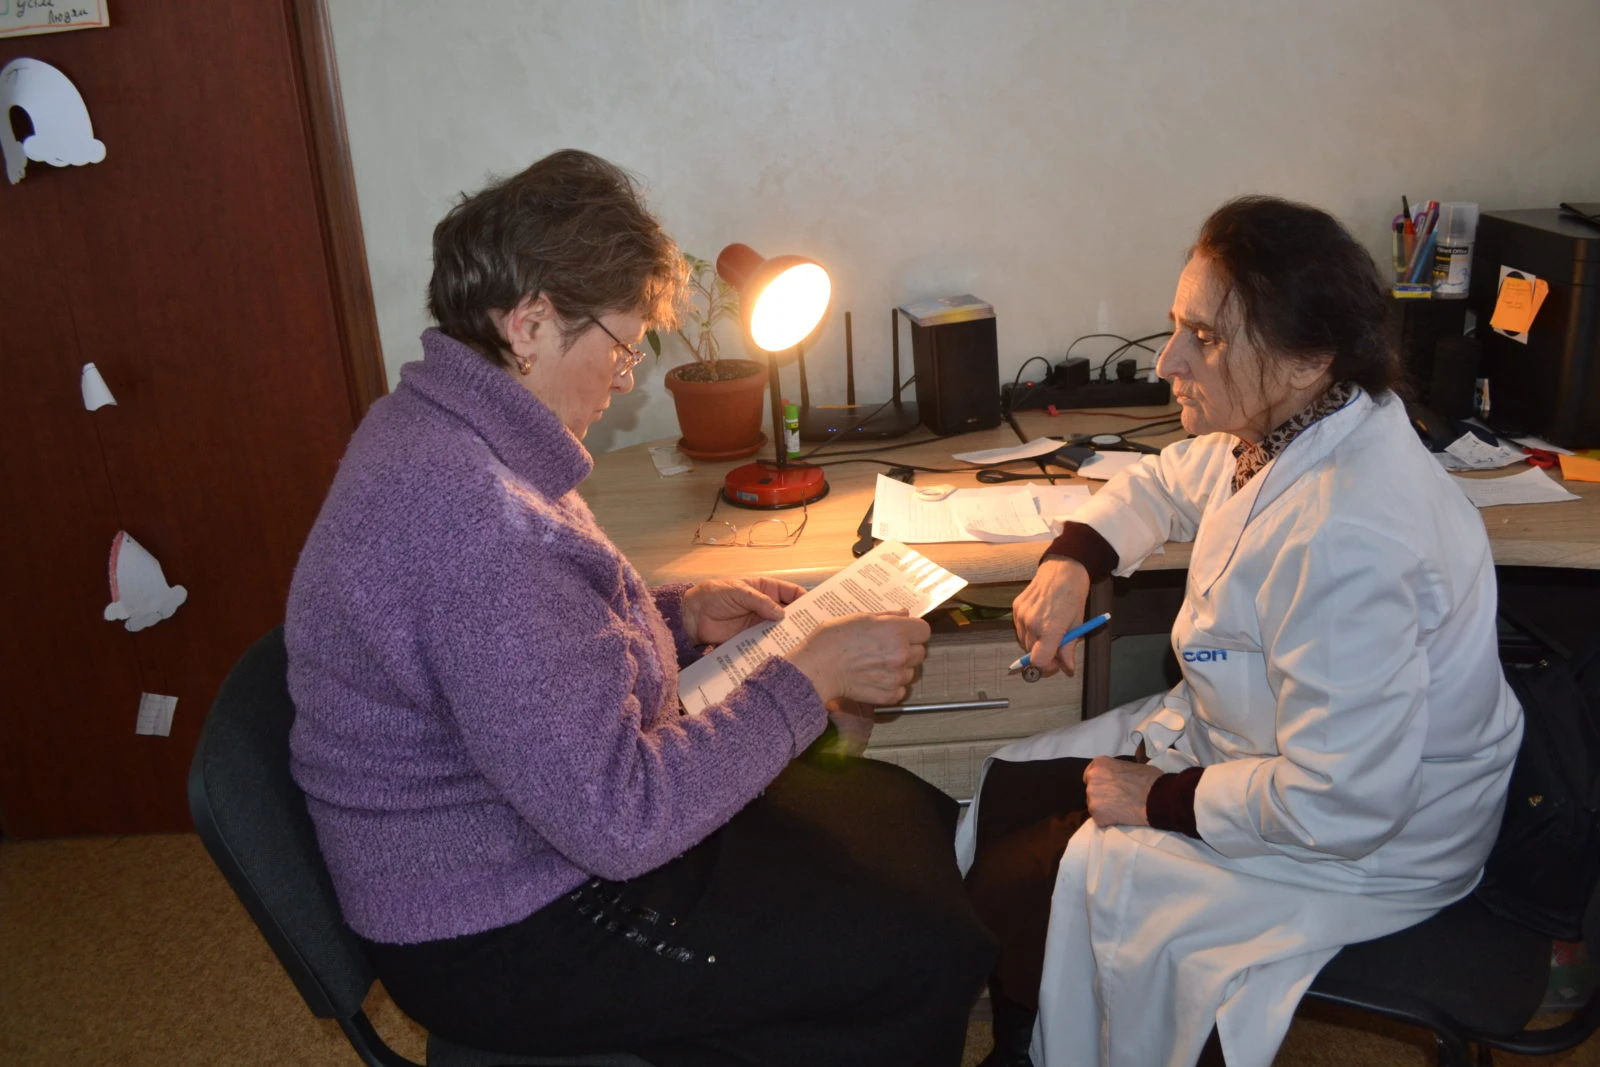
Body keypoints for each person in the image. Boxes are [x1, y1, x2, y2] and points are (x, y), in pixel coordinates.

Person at [286, 149, 995, 1067]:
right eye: (620, 348)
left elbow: (536, 654)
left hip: (520, 835)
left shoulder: (445, 428)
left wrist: (680, 616)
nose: (625, 379)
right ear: (530, 323)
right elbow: (623, 820)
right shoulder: (479, 523)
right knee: (921, 953)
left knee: (901, 827)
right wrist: (804, 678)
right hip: (502, 924)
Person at [957, 196, 1523, 1067]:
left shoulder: (1348, 535)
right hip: (1270, 757)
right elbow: (1166, 480)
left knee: (1044, 882)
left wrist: (1159, 798)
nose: (1168, 361)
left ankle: (1034, 1045)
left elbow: (1344, 801)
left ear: (1307, 359)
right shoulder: (1294, 423)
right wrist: (1073, 559)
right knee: (1004, 798)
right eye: (1176, 325)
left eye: (1206, 339)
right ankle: (1031, 1031)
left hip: (1365, 838)